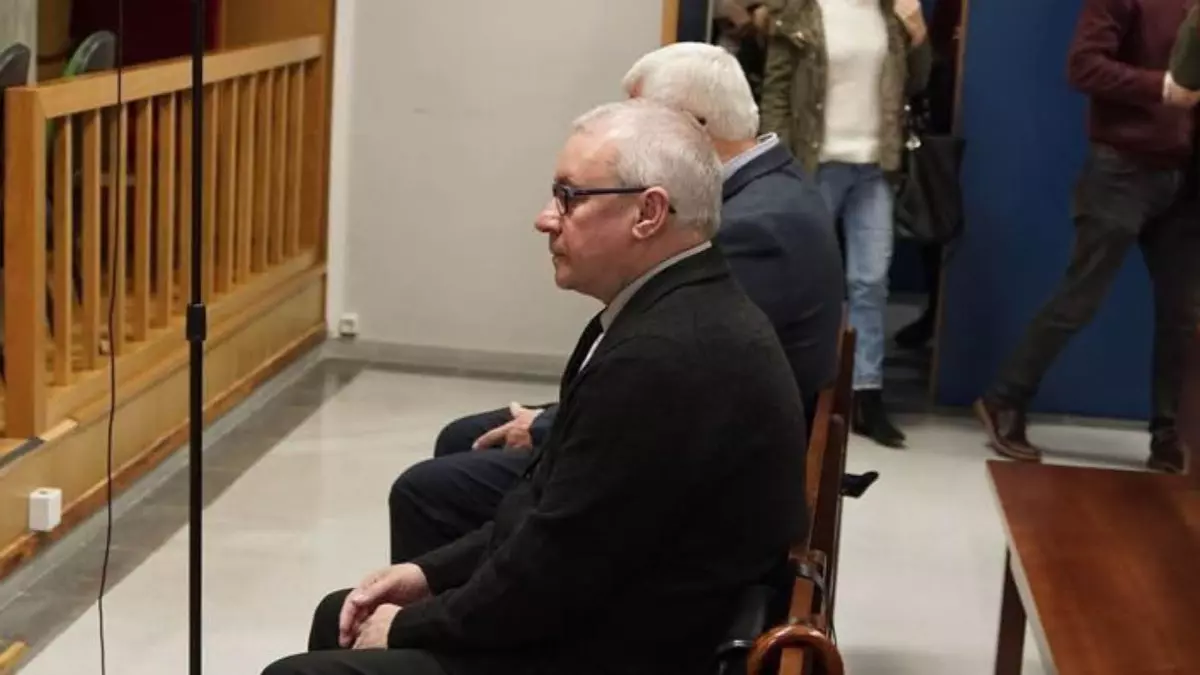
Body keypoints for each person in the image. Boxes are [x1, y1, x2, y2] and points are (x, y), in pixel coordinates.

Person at [262, 99, 809, 675]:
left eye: (570, 197)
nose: (546, 218)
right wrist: (427, 575)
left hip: (628, 651)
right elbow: (544, 515)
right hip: (614, 613)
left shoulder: (664, 355)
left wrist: (409, 624)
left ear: (648, 213)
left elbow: (552, 575)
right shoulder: (665, 310)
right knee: (343, 615)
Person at [388, 42, 843, 564]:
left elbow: (673, 379)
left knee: (427, 490)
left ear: (693, 127)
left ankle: (443, 604)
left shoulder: (755, 227)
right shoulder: (774, 187)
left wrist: (545, 426)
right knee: (463, 439)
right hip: (692, 429)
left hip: (696, 475)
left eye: (643, 117)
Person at [975, 0, 1200, 474]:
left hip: (1185, 176)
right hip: (1122, 169)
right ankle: (1005, 399)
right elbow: (1083, 65)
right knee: (1081, 297)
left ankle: (1168, 432)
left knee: (1183, 313)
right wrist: (1163, 88)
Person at [759, 0, 932, 448]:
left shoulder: (891, 13)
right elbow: (776, 92)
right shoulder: (801, 12)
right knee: (808, 279)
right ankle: (797, 387)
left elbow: (917, 83)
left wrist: (919, 39)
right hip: (815, 163)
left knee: (870, 282)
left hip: (877, 166)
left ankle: (866, 393)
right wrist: (777, 161)